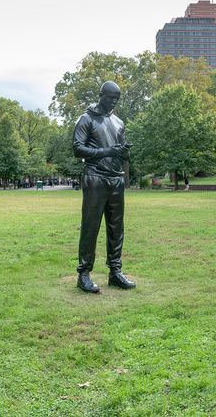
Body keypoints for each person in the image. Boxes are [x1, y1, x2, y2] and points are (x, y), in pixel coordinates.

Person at [73, 81, 135, 293]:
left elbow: (121, 152)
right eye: (110, 98)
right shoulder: (86, 119)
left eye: (117, 99)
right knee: (91, 226)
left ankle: (115, 272)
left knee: (116, 228)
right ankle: (83, 274)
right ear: (101, 95)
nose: (113, 103)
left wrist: (124, 151)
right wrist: (107, 151)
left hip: (116, 179)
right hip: (95, 177)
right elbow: (78, 149)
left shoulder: (118, 122)